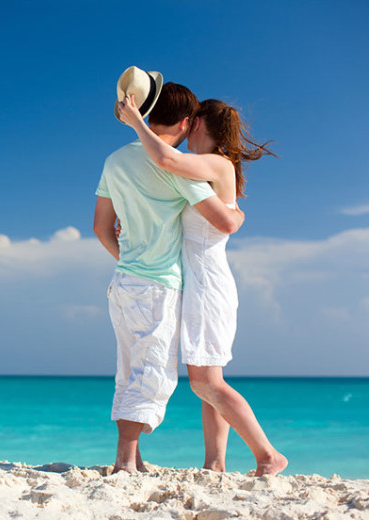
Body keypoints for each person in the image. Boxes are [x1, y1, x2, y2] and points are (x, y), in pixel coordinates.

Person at [117, 94, 288, 476]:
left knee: (205, 381)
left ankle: (268, 455)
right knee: (211, 381)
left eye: (189, 122)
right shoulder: (205, 168)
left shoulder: (214, 162)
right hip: (195, 279)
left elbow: (165, 159)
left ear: (195, 123)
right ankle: (215, 464)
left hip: (208, 284)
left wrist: (136, 122)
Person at [93, 69, 245, 474]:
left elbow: (100, 228)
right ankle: (126, 460)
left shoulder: (114, 159)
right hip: (159, 283)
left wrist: (129, 260)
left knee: (128, 369)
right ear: (184, 122)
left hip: (123, 281)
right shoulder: (176, 169)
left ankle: (135, 457)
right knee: (153, 371)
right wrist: (237, 213)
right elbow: (224, 221)